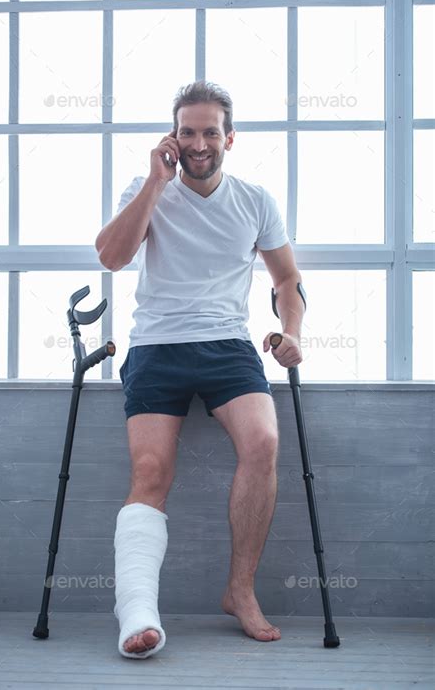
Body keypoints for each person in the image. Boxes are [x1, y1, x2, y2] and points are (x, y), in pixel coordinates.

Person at [95, 80, 305, 659]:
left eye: (210, 131)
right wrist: (157, 184)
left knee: (263, 442)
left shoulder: (255, 200)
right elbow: (111, 257)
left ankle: (240, 590)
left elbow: (287, 280)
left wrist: (291, 333)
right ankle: (138, 611)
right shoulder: (146, 187)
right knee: (151, 471)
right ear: (173, 137)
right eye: (187, 131)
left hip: (228, 345)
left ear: (228, 138)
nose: (198, 141)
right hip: (158, 345)